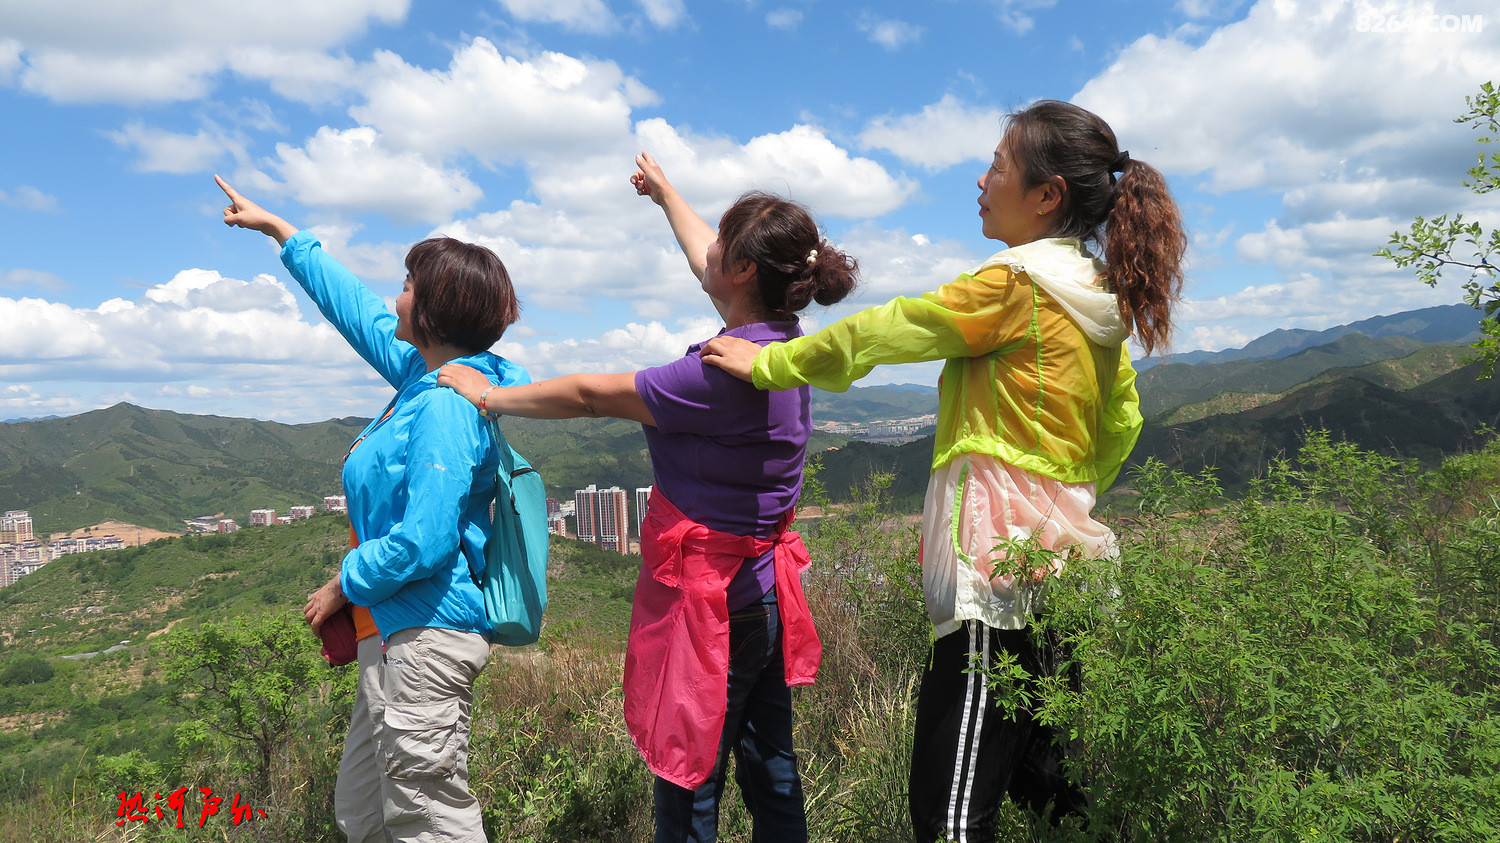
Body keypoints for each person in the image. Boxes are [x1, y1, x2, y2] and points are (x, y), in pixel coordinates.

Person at [700, 100, 1185, 842]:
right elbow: (1119, 423)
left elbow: (892, 327)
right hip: (1064, 562)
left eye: (998, 165)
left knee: (950, 808)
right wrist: (1062, 496)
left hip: (998, 572)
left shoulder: (1016, 284)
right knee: (1051, 789)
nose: (982, 179)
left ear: (1047, 194)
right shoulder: (1095, 297)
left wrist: (772, 362)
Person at [435, 152, 858, 843]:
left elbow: (587, 394)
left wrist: (489, 395)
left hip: (712, 608)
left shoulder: (718, 373)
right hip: (763, 597)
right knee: (771, 770)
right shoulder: (781, 346)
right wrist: (665, 195)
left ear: (746, 270)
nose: (709, 253)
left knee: (689, 776)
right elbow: (707, 261)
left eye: (723, 244)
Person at [215, 175, 527, 843]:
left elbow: (425, 540)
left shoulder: (445, 402)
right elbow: (354, 307)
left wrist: (342, 581)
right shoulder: (424, 371)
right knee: (364, 811)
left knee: (428, 821)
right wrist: (281, 232)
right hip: (393, 636)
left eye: (410, 287)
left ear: (437, 311)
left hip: (425, 636)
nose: (397, 296)